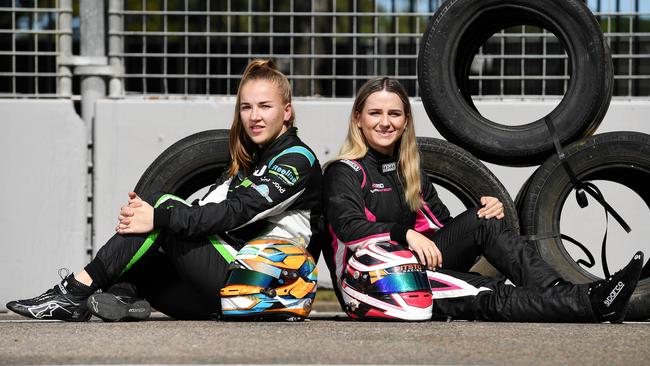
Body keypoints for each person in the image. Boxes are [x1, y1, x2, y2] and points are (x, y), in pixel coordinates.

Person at [7, 59, 323, 321]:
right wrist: (148, 219)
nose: (254, 116)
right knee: (160, 230)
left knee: (166, 209)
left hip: (266, 283)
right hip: (232, 288)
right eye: (246, 107)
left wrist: (157, 216)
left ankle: (74, 291)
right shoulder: (248, 158)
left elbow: (235, 213)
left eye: (265, 106)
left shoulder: (295, 158)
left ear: (287, 111)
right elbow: (207, 206)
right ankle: (125, 296)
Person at [322, 76, 644, 323]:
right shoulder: (344, 171)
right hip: (374, 282)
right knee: (485, 293)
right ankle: (588, 302)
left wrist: (484, 212)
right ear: (358, 119)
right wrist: (403, 233)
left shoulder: (410, 171)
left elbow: (443, 230)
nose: (385, 122)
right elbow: (350, 228)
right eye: (375, 113)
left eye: (394, 113)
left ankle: (563, 294)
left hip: (414, 265)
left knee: (484, 220)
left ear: (406, 120)